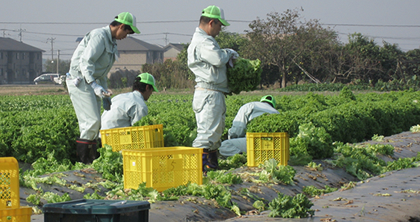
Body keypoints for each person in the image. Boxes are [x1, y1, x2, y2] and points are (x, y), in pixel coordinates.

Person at [66, 12, 140, 164]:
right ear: (121, 26)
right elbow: (86, 63)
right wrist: (93, 85)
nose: (127, 36)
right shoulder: (99, 36)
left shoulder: (112, 43)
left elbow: (103, 73)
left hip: (93, 82)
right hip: (80, 81)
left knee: (95, 124)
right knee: (91, 122)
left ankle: (90, 162)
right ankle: (82, 163)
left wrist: (105, 94)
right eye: (128, 31)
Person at [187, 5, 239, 172]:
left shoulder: (204, 40)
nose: (220, 29)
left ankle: (210, 167)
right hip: (208, 93)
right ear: (211, 22)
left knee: (214, 134)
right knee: (206, 135)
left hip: (211, 93)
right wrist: (229, 52)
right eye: (219, 25)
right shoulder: (204, 41)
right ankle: (197, 171)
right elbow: (217, 59)